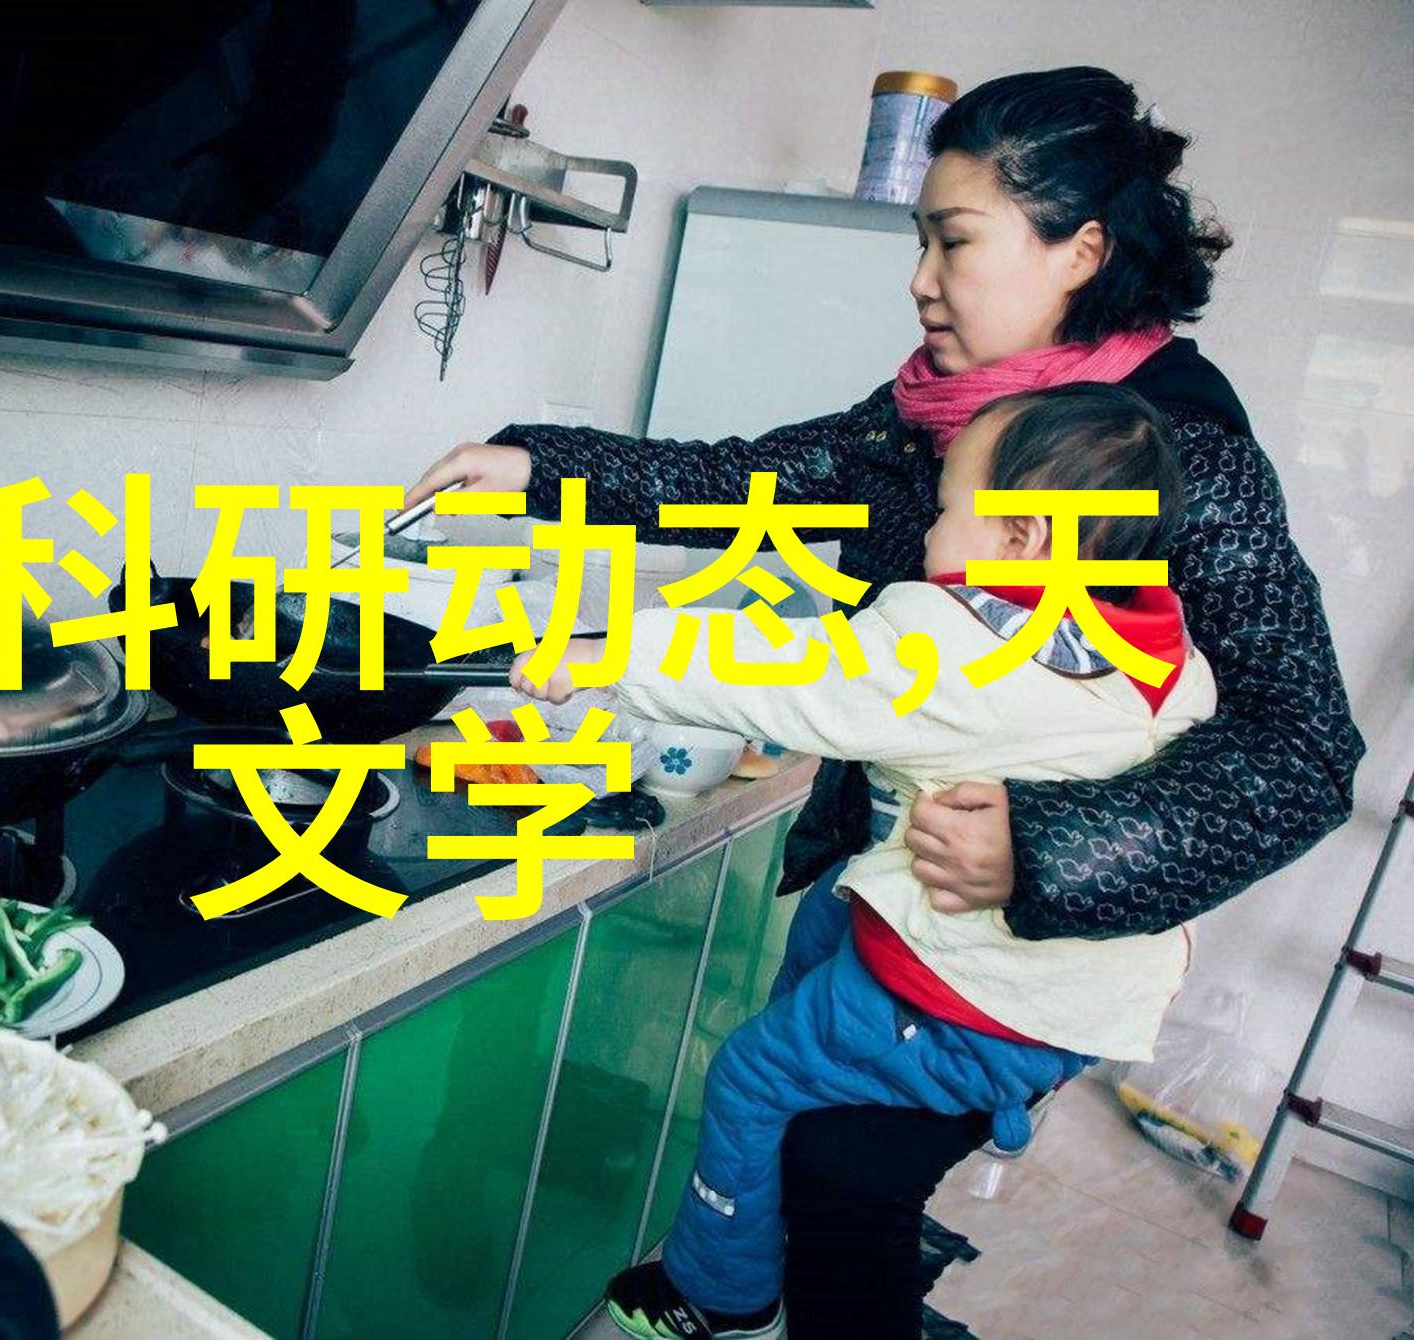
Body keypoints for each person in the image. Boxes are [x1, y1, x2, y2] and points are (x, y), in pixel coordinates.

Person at [405, 66, 1363, 1338]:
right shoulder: (942, 409)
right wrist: (537, 464)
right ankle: (753, 1283)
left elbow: (1300, 749)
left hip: (1024, 947)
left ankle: (747, 1296)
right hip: (893, 881)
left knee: (836, 1167)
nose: (918, 278)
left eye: (952, 240)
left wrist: (1040, 846)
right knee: (794, 1118)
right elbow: (755, 481)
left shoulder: (1174, 452)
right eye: (920, 238)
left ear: (1078, 250)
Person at [517, 383, 1210, 1337]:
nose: (928, 529)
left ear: (1023, 539)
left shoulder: (959, 643)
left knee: (752, 1076)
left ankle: (723, 1297)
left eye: (947, 508)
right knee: (830, 923)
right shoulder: (1167, 656)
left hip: (979, 1002)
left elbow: (788, 671)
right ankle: (927, 1124)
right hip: (1079, 991)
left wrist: (607, 654)